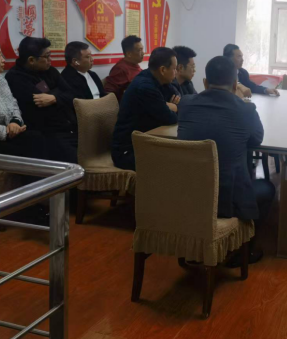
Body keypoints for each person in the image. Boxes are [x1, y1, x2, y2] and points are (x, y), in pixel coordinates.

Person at [178, 56, 275, 265]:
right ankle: (243, 251)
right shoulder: (245, 109)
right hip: (226, 199)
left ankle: (191, 247)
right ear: (234, 84)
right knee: (267, 188)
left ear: (205, 82)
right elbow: (256, 139)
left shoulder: (185, 104)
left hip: (188, 195)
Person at [5, 37, 77, 163]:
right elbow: (40, 104)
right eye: (47, 56)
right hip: (45, 132)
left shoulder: (50, 70)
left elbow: (72, 94)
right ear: (31, 60)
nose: (50, 60)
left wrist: (54, 97)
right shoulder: (15, 77)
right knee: (72, 164)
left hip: (68, 126)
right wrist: (59, 93)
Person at [111, 47, 179, 171]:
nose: (176, 73)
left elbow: (179, 97)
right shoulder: (145, 86)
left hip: (147, 142)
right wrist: (169, 107)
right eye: (174, 69)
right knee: (177, 161)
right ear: (163, 70)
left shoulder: (160, 80)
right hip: (128, 151)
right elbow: (170, 118)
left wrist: (169, 106)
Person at [104, 36, 144, 101]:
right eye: (139, 50)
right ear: (129, 54)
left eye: (142, 49)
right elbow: (108, 92)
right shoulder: (120, 69)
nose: (143, 53)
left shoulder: (135, 64)